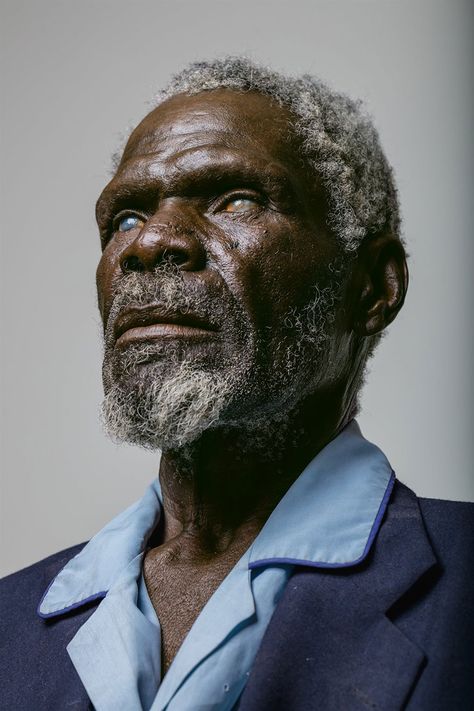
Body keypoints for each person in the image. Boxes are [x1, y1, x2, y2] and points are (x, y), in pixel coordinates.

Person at [1, 57, 473, 711]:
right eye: (126, 218)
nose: (150, 242)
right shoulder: (7, 621)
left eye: (237, 199)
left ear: (371, 286)